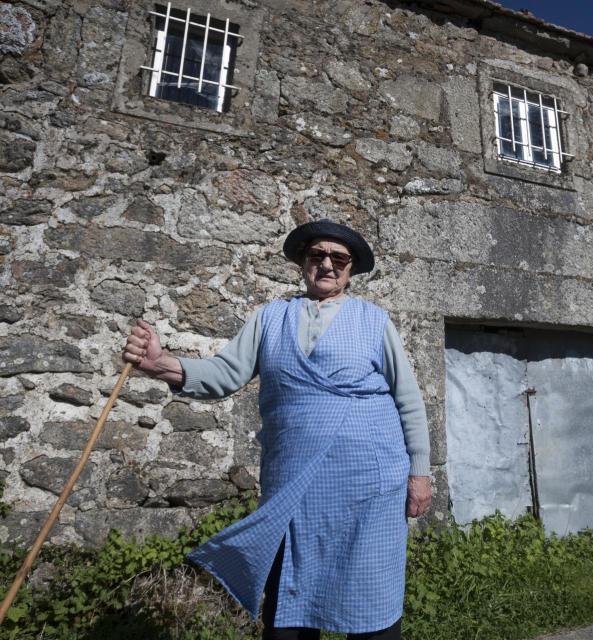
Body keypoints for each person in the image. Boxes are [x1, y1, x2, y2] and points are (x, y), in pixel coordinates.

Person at [122, 219, 432, 640]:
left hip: (369, 488)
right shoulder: (270, 318)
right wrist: (161, 365)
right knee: (290, 602)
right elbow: (225, 372)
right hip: (293, 486)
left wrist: (420, 473)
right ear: (303, 263)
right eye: (316, 255)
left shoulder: (374, 321)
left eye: (338, 258)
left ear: (351, 269)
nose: (326, 264)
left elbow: (408, 400)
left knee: (370, 597)